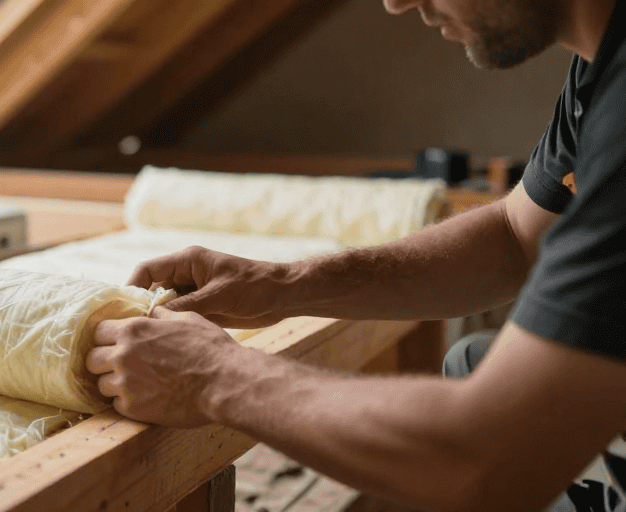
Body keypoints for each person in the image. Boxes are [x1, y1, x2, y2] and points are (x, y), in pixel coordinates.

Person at [85, 0, 626, 509]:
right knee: (471, 363)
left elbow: (483, 458)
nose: (395, 2)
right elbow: (514, 234)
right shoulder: (599, 65)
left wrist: (213, 374)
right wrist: (283, 285)